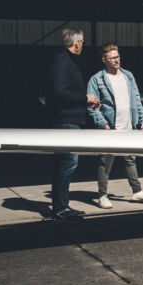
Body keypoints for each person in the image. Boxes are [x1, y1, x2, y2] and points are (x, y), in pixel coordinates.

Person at [87, 43, 143, 208]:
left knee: (131, 160)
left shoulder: (128, 75)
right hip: (110, 128)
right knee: (105, 162)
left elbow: (136, 99)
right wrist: (104, 125)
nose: (116, 60)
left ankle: (137, 192)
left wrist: (142, 119)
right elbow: (91, 106)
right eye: (112, 58)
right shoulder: (97, 79)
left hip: (129, 126)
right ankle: (102, 196)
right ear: (104, 60)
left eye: (117, 57)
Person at [48, 28, 100, 222]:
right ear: (76, 43)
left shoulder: (67, 61)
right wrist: (85, 98)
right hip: (65, 120)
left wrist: (85, 101)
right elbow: (59, 92)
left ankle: (61, 206)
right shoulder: (63, 62)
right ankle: (61, 209)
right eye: (83, 42)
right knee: (67, 164)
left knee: (64, 164)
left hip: (70, 118)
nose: (83, 45)